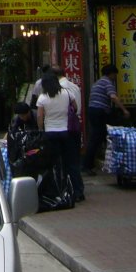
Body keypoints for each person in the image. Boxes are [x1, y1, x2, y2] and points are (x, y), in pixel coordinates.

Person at [37, 70, 85, 202]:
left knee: (54, 164)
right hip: (67, 133)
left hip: (50, 134)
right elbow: (75, 108)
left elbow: (40, 116)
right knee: (72, 162)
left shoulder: (43, 98)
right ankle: (78, 191)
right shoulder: (67, 93)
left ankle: (58, 190)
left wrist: (41, 130)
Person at [83, 64, 130, 174]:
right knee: (96, 138)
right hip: (100, 112)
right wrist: (124, 110)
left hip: (93, 110)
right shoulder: (107, 82)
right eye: (115, 74)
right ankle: (87, 165)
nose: (115, 77)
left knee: (99, 137)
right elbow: (113, 97)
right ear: (112, 74)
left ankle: (96, 163)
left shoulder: (98, 82)